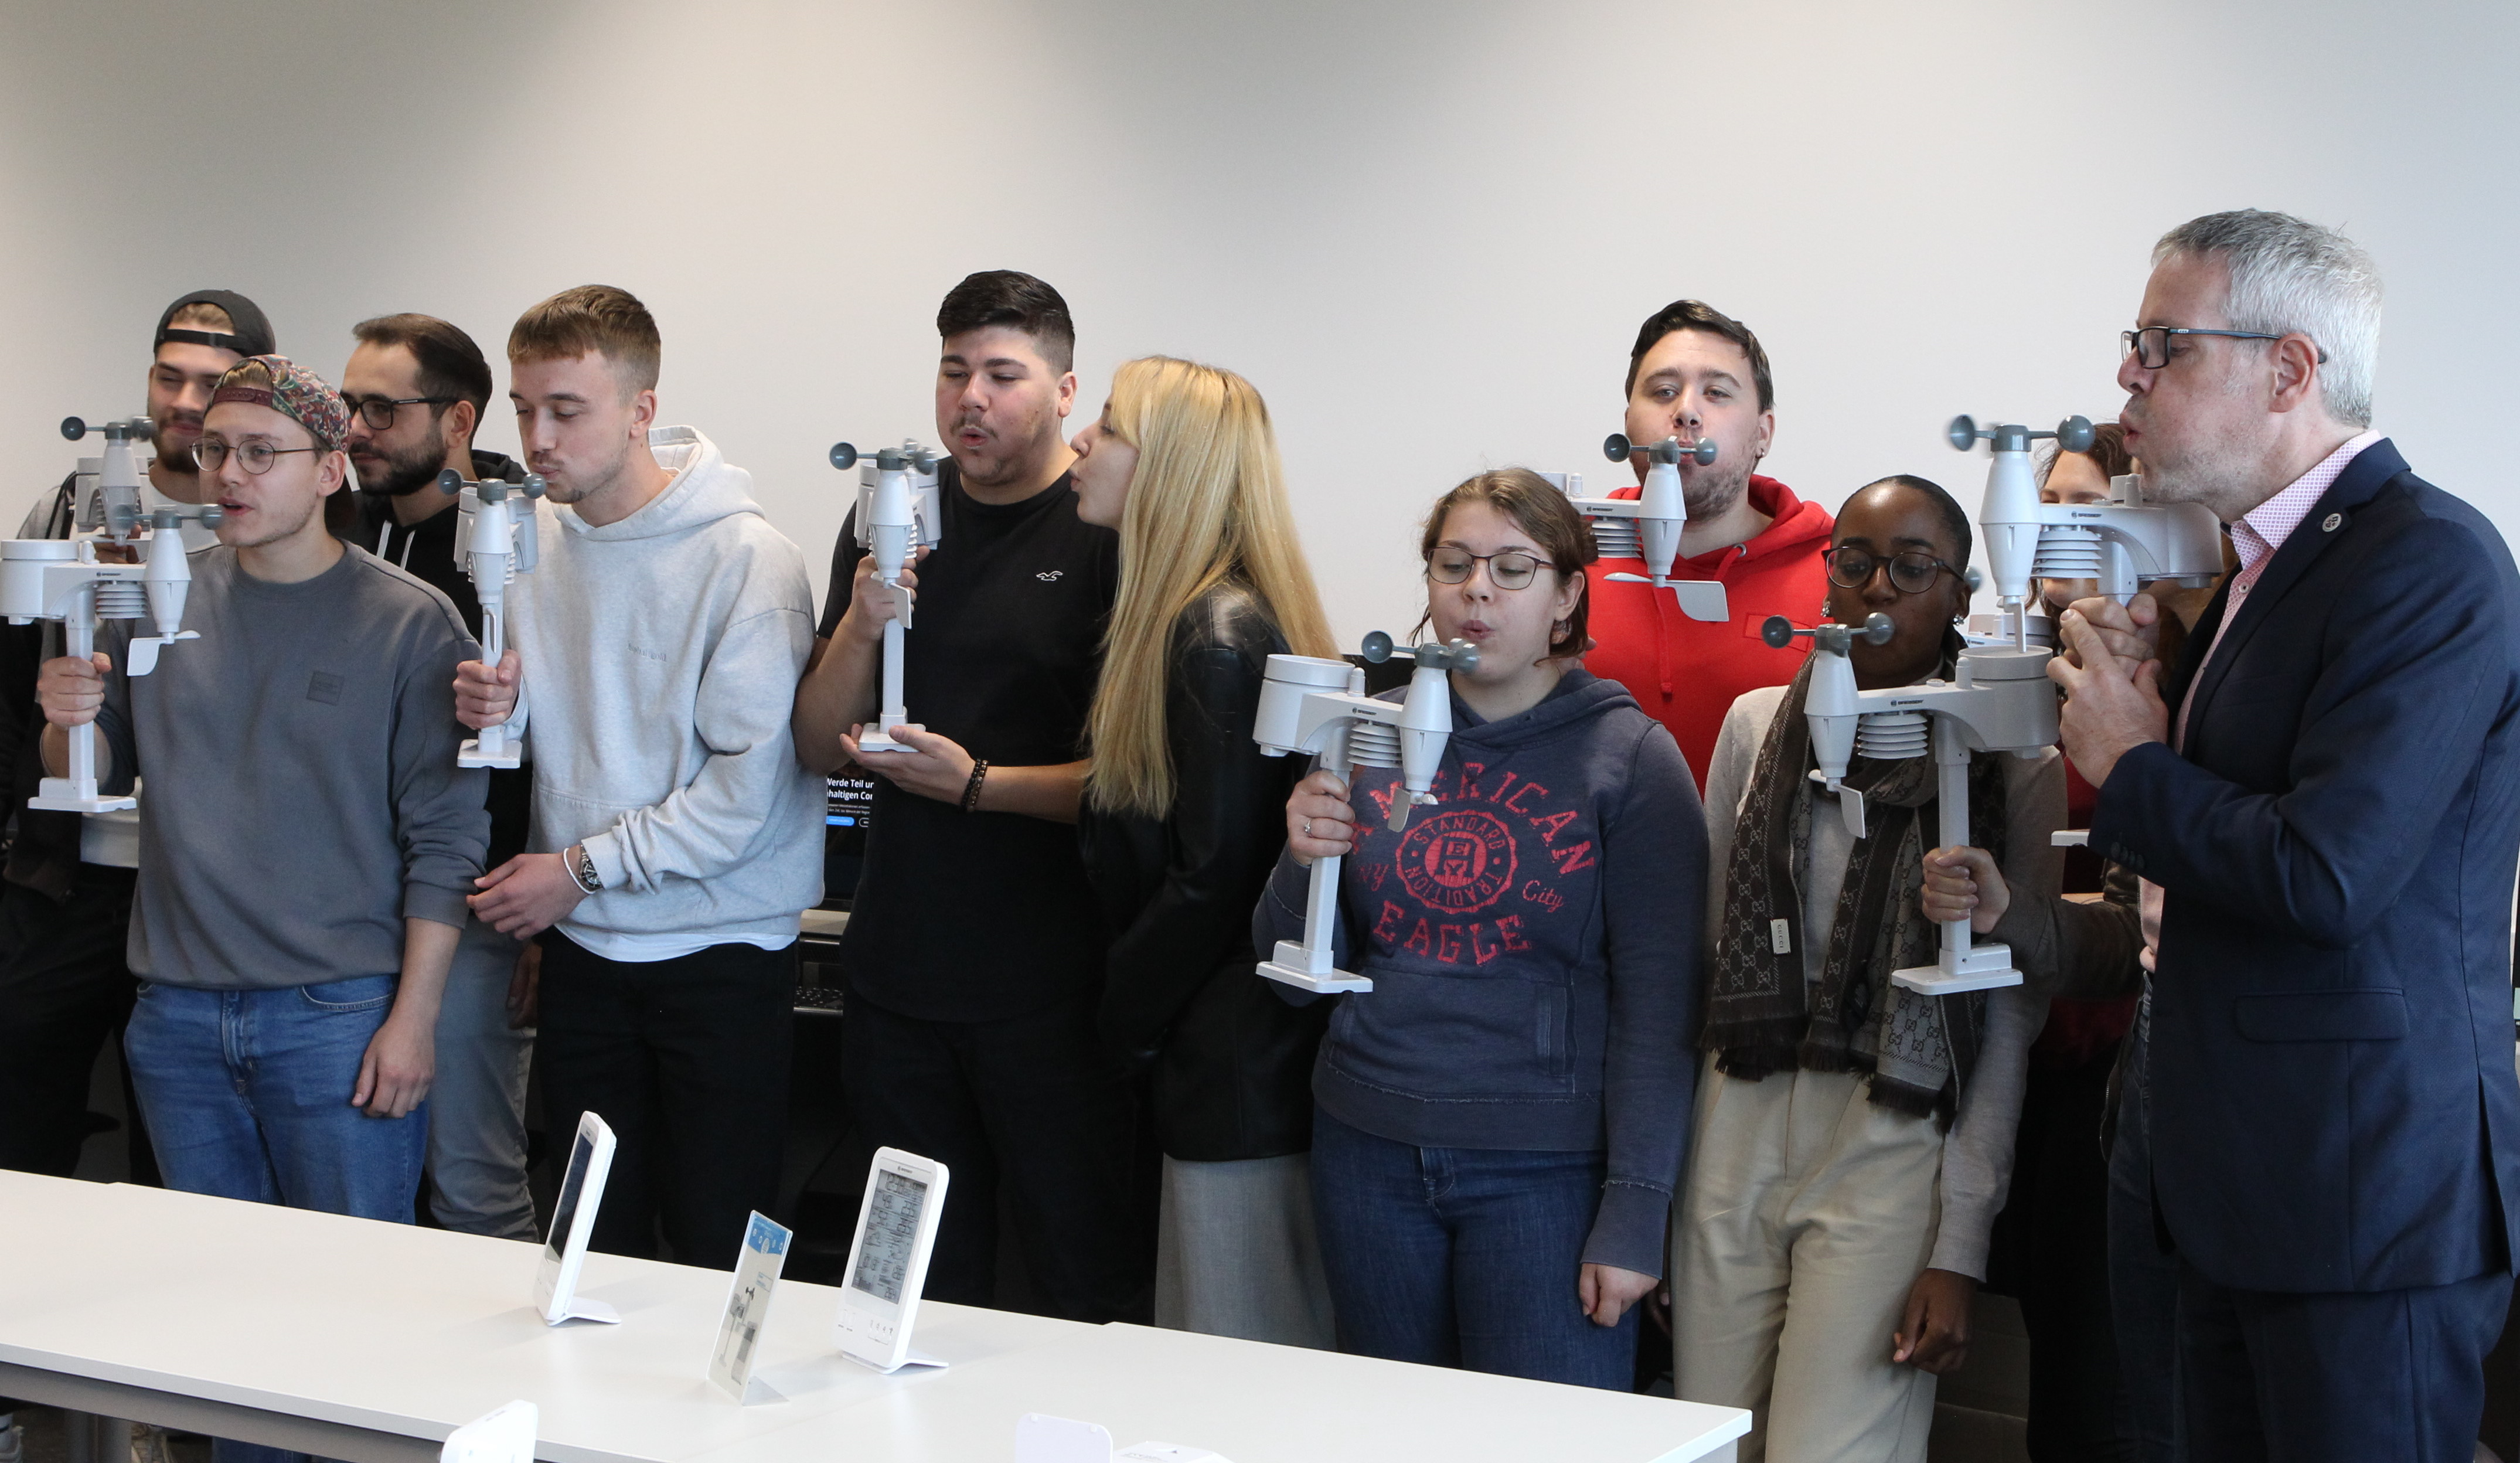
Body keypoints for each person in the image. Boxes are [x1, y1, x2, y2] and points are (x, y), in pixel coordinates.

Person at [2049, 209, 2520, 1462]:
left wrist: (2131, 763)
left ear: (2289, 369)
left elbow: (2325, 874)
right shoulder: (2267, 569)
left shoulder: (2427, 562)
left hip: (2358, 1200)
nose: (2126, 376)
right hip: (2237, 1189)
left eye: (2163, 344)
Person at [1262, 468, 1706, 1390]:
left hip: (1544, 1175)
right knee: (1390, 1440)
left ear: (1567, 595)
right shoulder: (1363, 736)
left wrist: (1634, 1215)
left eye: (1512, 568)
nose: (1477, 591)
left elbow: (1663, 1015)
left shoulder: (1630, 761)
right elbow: (1287, 962)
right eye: (1454, 564)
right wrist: (1299, 860)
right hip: (1368, 1150)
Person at [33, 356, 483, 1247]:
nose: (229, 475)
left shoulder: (410, 623)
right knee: (212, 1302)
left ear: (328, 469)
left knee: (354, 1294)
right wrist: (65, 715)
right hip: (177, 1014)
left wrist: (414, 1022)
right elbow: (88, 769)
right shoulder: (152, 602)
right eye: (214, 451)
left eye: (260, 454)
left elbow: (445, 842)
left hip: (339, 1019)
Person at [1674, 475, 2063, 1462]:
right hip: (1738, 1123)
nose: (1878, 587)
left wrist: (1959, 1246)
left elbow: (2010, 1016)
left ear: (1961, 595)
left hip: (1893, 1138)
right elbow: (1706, 957)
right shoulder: (1757, 729)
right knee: (1706, 1442)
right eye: (1854, 562)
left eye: (1913, 567)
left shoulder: (2010, 755)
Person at [789, 271, 1140, 1321]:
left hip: (1055, 988)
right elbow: (815, 745)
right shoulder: (893, 514)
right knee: (908, 1285)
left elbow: (1139, 787)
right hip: (899, 976)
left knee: (1072, 1280)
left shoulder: (1104, 528)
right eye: (954, 373)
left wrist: (978, 786)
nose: (971, 400)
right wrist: (862, 619)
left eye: (1003, 374)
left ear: (1067, 390)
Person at [454, 285, 822, 1271]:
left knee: (715, 1241)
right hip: (587, 950)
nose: (537, 438)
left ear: (642, 409)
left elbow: (744, 796)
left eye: (566, 410)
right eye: (524, 409)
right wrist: (500, 711)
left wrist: (574, 869)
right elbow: (577, 731)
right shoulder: (533, 539)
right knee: (585, 1244)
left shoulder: (748, 558)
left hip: (719, 951)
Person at [1070, 356, 1340, 1347]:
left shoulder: (1212, 637)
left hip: (1230, 1073)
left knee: (1232, 1366)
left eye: (1105, 428)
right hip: (1227, 1061)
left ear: (1170, 464)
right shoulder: (1193, 621)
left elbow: (1212, 880)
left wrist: (1113, 1023)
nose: (1080, 446)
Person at [0, 290, 271, 1183]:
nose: (185, 403)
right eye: (169, 377)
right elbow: (13, 681)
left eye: (210, 384)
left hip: (198, 887)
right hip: (68, 878)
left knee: (184, 1143)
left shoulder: (259, 520)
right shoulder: (74, 504)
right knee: (24, 1109)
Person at [340, 313, 537, 1240]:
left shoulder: (528, 545)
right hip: (360, 911)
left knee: (471, 1181)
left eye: (382, 407)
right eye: (349, 406)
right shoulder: (343, 533)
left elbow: (566, 746)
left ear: (458, 419)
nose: (356, 428)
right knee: (365, 1179)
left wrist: (544, 921)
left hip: (479, 912)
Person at [1581, 299, 1834, 788]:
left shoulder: (1841, 570)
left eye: (1717, 392)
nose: (1686, 413)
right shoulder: (1560, 559)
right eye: (1663, 391)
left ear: (1764, 433)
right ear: (1628, 422)